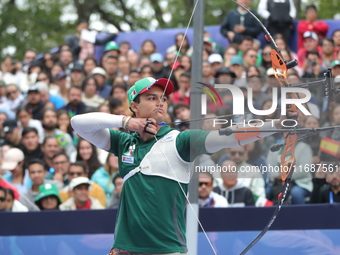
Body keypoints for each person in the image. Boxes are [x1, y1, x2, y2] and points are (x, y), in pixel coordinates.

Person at [71, 76, 286, 254]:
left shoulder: (179, 141)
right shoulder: (123, 142)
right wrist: (126, 122)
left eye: (163, 98)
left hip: (167, 249)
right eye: (152, 97)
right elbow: (78, 123)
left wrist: (275, 125)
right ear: (134, 106)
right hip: (125, 249)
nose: (160, 102)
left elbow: (228, 137)